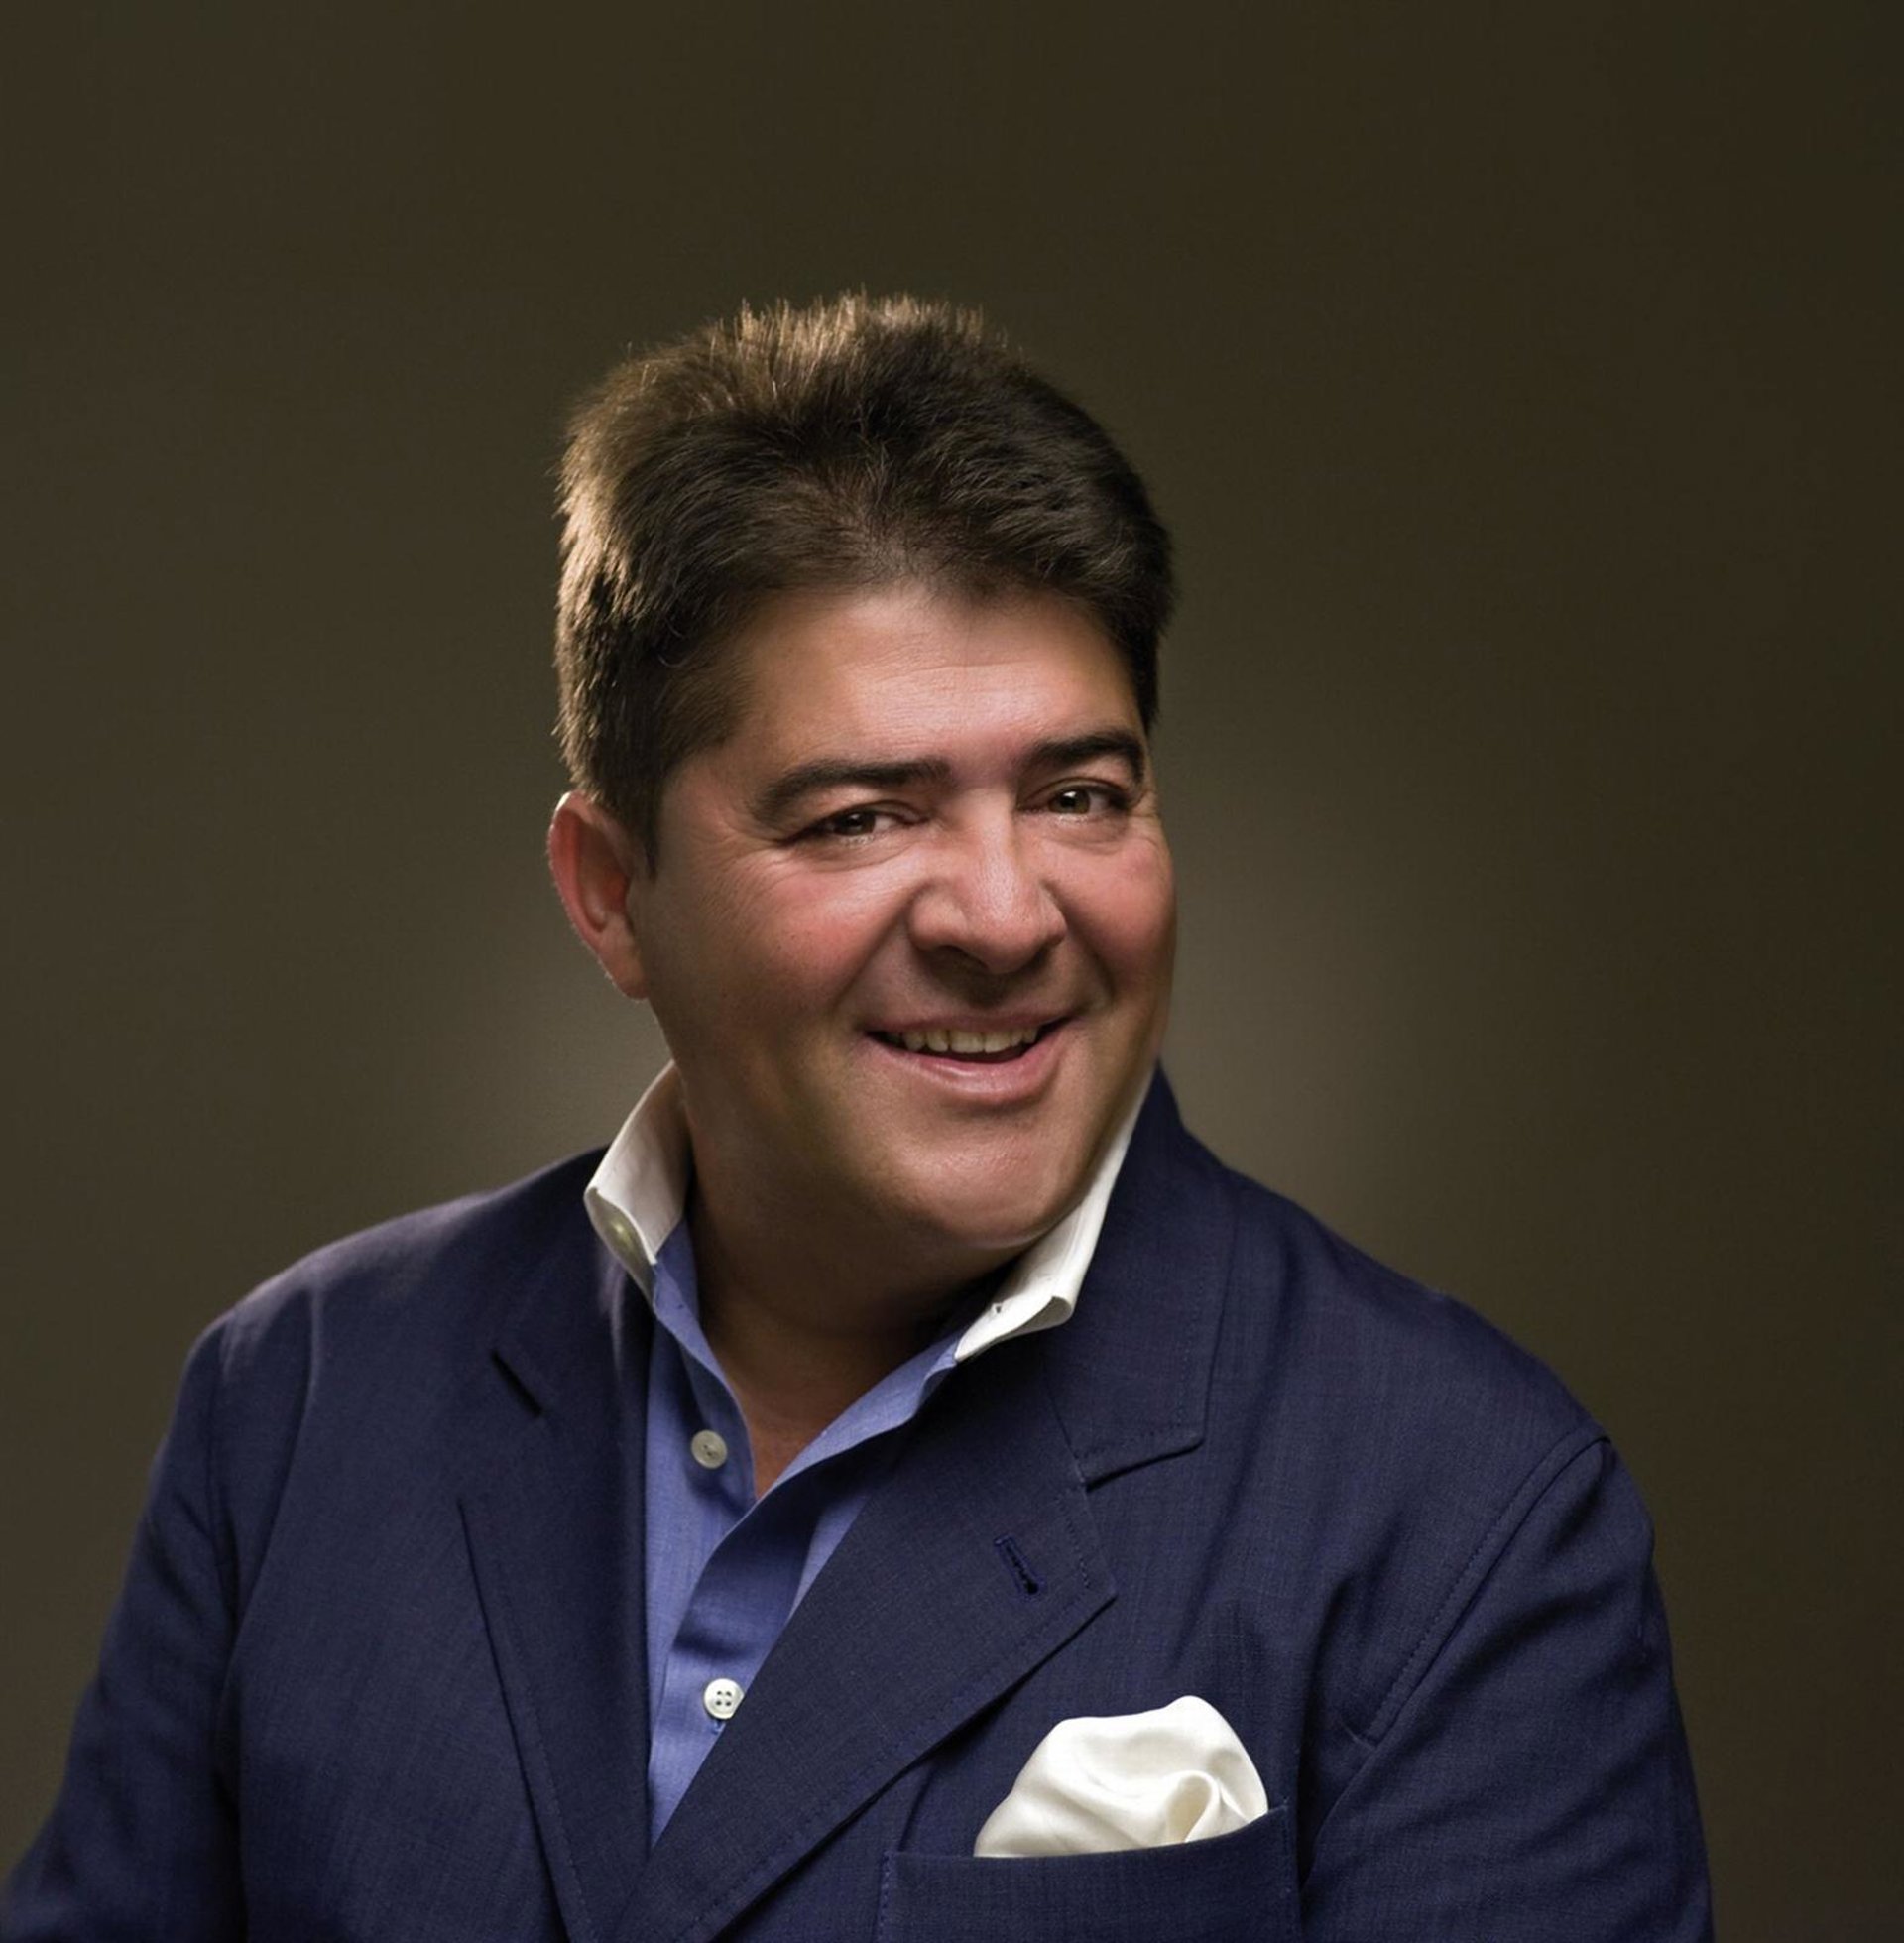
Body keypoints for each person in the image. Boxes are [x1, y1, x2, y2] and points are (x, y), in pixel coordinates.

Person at [5, 294, 1712, 1941]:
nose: (1002, 915)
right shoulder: (299, 1400)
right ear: (609, 894)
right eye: (860, 818)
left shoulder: (1465, 1508)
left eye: (1080, 795)